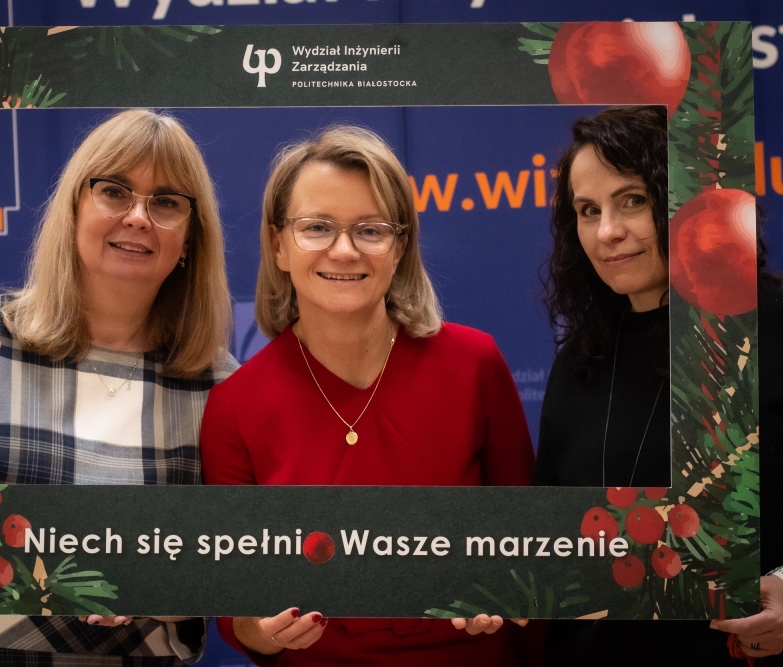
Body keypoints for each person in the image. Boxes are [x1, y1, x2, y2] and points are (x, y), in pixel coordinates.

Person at [0, 109, 236, 666]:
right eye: (114, 191)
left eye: (167, 202)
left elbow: (237, 566)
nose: (137, 217)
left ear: (191, 238)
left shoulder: (221, 387)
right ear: (74, 208)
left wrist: (168, 590)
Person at [200, 126, 538, 666]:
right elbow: (237, 612)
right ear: (278, 245)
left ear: (399, 247)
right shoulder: (234, 406)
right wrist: (262, 629)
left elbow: (530, 547)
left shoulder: (475, 364)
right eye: (317, 227)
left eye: (370, 230)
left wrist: (508, 589)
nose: (344, 250)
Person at [534, 105, 783, 665]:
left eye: (632, 200)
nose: (607, 231)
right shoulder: (580, 358)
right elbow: (552, 536)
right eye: (588, 210)